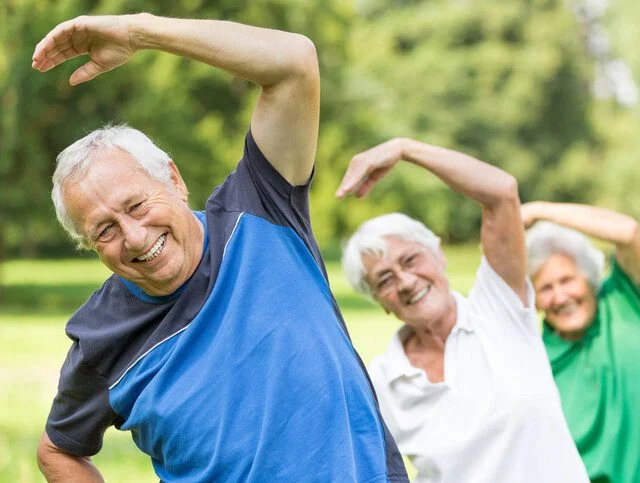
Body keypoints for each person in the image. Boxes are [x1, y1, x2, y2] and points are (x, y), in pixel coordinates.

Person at [32, 13, 408, 482]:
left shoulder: (262, 208)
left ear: (173, 179)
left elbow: (294, 63)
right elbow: (58, 451)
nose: (134, 236)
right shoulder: (100, 339)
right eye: (104, 230)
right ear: (88, 244)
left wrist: (139, 32)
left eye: (136, 204)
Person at [338, 138, 589, 482]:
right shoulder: (382, 381)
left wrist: (404, 149)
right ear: (380, 302)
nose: (407, 282)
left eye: (411, 259)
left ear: (438, 256)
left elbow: (501, 192)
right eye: (385, 280)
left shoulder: (498, 308)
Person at [523, 201, 640, 483]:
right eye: (546, 288)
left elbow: (630, 234)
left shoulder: (625, 300)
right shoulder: (534, 358)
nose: (561, 297)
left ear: (589, 277)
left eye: (567, 280)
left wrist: (541, 211)